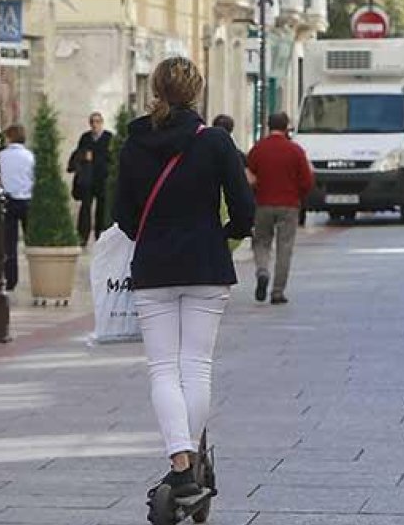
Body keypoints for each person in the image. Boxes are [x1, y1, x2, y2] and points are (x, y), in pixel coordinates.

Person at [113, 56, 254, 496]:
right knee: (196, 366)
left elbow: (122, 212)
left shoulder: (135, 143)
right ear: (197, 91)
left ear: (155, 90)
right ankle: (188, 464)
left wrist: (149, 235)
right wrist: (224, 233)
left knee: (162, 368)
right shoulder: (215, 142)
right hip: (205, 266)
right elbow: (244, 208)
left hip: (154, 267)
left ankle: (179, 459)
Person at [247, 112, 314, 305]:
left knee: (261, 242)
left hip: (263, 203)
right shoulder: (295, 151)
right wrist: (298, 195)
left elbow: (249, 177)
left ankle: (262, 271)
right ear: (287, 127)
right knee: (285, 247)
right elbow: (307, 181)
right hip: (289, 204)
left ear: (268, 125)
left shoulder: (258, 149)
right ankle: (277, 291)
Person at [69, 112, 113, 246]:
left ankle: (100, 234)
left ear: (102, 123)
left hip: (102, 178)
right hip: (87, 179)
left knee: (102, 208)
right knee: (85, 207)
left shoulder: (108, 137)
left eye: (98, 121)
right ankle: (83, 235)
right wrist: (84, 157)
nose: (95, 125)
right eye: (93, 122)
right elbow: (78, 154)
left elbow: (112, 157)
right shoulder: (85, 137)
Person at [0, 123, 34, 290]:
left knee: (9, 244)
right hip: (27, 201)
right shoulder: (29, 157)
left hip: (8, 201)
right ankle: (37, 274)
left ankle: (11, 280)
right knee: (32, 241)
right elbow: (34, 178)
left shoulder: (1, 157)